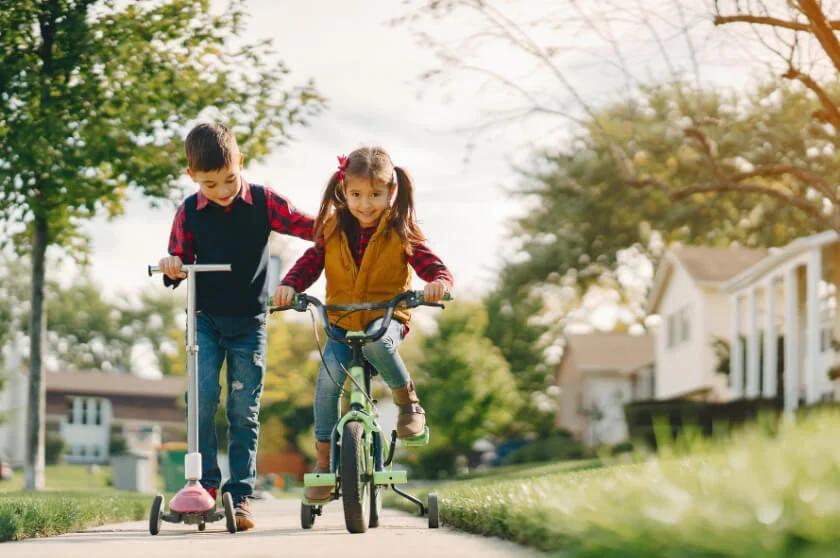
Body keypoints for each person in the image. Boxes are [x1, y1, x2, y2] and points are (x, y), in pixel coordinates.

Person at [158, 122, 313, 530]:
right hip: (206, 319)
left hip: (249, 321)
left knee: (244, 410)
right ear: (192, 176)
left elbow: (309, 227)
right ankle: (204, 487)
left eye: (229, 179)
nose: (223, 191)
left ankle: (240, 495)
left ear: (240, 163)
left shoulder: (263, 201)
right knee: (203, 400)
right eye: (211, 184)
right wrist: (172, 266)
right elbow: (178, 262)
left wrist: (347, 224)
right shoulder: (189, 212)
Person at [275, 146, 453, 502]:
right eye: (356, 194)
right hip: (340, 322)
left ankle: (408, 404)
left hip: (386, 319)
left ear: (391, 192)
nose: (365, 204)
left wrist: (439, 284)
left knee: (377, 343)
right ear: (344, 190)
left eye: (375, 194)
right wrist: (290, 285)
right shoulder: (332, 228)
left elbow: (432, 265)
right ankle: (324, 464)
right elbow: (311, 262)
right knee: (326, 385)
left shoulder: (401, 230)